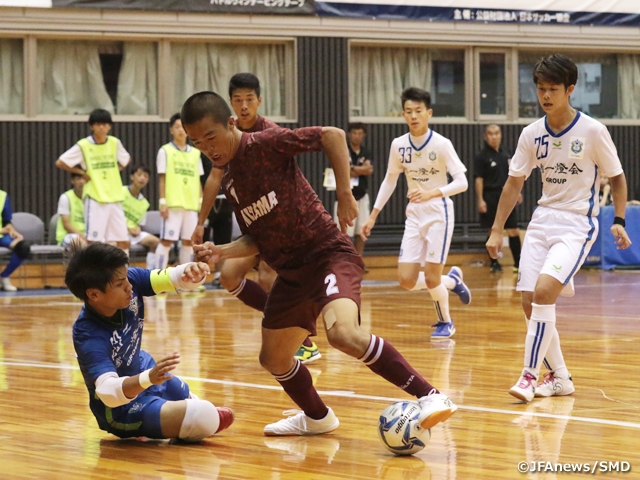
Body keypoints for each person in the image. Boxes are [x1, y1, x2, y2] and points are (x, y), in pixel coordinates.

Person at [183, 90, 457, 437]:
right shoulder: (231, 181)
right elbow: (257, 239)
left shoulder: (264, 143)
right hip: (293, 274)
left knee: (343, 334)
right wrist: (220, 251)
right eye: (197, 143)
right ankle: (317, 417)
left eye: (211, 136)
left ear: (231, 123)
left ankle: (431, 396)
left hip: (327, 254)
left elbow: (332, 135)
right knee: (273, 359)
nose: (208, 147)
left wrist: (344, 192)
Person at [486, 53, 632, 403]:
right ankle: (561, 377)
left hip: (576, 225)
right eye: (540, 89)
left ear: (570, 90)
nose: (545, 96)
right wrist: (496, 229)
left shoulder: (593, 131)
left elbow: (618, 178)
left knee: (543, 294)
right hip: (541, 221)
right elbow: (513, 184)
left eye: (553, 89)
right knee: (528, 302)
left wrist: (619, 220)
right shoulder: (531, 134)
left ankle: (528, 375)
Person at [191, 73, 320, 363]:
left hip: (277, 224)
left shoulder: (268, 133)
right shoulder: (223, 136)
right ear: (230, 106)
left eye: (249, 99)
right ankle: (280, 319)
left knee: (267, 277)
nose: (244, 105)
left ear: (259, 101)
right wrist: (201, 222)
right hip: (252, 226)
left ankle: (303, 339)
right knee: (228, 276)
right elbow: (214, 177)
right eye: (238, 100)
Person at [67, 242, 234, 440]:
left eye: (127, 278)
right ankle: (170, 419)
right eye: (120, 285)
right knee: (203, 415)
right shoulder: (88, 334)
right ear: (93, 294)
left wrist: (191, 273)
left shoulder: (130, 281)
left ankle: (176, 413)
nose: (130, 287)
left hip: (143, 366)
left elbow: (172, 278)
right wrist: (148, 379)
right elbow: (107, 392)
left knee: (190, 400)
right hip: (121, 408)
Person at [360, 87, 472, 340]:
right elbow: (389, 181)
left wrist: (433, 193)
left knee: (432, 279)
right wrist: (373, 215)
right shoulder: (398, 145)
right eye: (408, 112)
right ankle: (452, 281)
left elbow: (462, 182)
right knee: (406, 280)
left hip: (438, 213)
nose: (413, 116)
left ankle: (446, 321)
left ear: (428, 113)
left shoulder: (442, 144)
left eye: (418, 111)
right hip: (414, 214)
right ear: (403, 115)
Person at [55, 109, 131, 253]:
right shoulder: (84, 145)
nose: (102, 127)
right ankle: (96, 275)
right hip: (95, 198)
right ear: (92, 126)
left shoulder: (115, 143)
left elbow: (126, 160)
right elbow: (60, 162)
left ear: (109, 126)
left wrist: (114, 170)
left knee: (123, 241)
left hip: (115, 197)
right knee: (94, 242)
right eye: (98, 124)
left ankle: (124, 274)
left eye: (105, 124)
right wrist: (82, 173)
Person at [155, 113, 204, 269]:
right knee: (166, 240)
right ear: (171, 130)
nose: (180, 130)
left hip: (191, 205)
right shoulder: (165, 151)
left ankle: (185, 278)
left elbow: (198, 181)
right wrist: (162, 202)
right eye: (177, 127)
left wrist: (201, 203)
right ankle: (157, 278)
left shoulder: (196, 153)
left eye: (183, 127)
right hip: (173, 204)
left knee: (189, 242)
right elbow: (162, 178)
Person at [474, 124, 522, 273]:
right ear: (485, 136)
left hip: (507, 196)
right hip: (490, 196)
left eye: (496, 133)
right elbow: (479, 179)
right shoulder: (482, 156)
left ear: (500, 135)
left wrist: (517, 192)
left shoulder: (506, 154)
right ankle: (494, 263)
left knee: (513, 229)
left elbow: (514, 177)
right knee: (492, 230)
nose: (493, 136)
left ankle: (518, 264)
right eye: (490, 134)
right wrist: (480, 199)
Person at [333, 122, 373, 261]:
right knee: (344, 231)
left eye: (360, 133)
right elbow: (341, 170)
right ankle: (345, 260)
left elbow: (369, 170)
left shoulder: (366, 151)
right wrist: (359, 169)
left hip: (362, 195)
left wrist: (352, 169)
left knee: (361, 230)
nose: (357, 136)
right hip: (344, 197)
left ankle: (358, 260)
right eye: (354, 133)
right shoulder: (342, 150)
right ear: (349, 134)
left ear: (364, 135)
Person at [123, 165, 160, 270]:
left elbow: (138, 223)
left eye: (146, 176)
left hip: (132, 233)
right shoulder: (120, 192)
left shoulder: (144, 203)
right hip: (117, 232)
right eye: (139, 175)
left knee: (156, 242)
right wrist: (127, 228)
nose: (142, 178)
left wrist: (137, 229)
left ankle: (150, 271)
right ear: (132, 177)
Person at [0, 188, 30, 292]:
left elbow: (6, 220)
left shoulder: (2, 195)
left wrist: (12, 230)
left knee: (23, 247)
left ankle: (4, 276)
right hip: (1, 232)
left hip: (2, 236)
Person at [56, 172, 88, 248]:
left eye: (84, 178)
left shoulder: (92, 198)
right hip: (68, 235)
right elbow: (66, 225)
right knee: (82, 244)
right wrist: (82, 236)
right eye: (78, 179)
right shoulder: (66, 197)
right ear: (72, 181)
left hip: (88, 235)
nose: (81, 182)